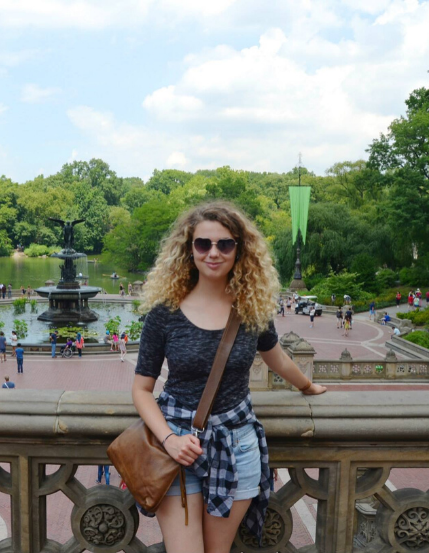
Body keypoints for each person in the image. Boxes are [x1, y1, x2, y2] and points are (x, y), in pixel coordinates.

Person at [132, 201, 326, 552]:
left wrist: (308, 386)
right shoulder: (164, 313)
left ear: (240, 249)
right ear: (188, 249)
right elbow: (142, 390)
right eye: (203, 244)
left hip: (237, 445)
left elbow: (276, 358)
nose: (213, 253)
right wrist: (169, 440)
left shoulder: (251, 309)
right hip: (178, 445)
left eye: (225, 244)